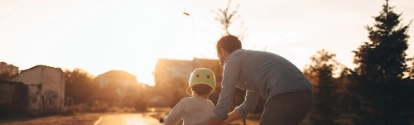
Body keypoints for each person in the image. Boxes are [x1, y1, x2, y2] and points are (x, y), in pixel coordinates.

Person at [208, 35, 314, 125]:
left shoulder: (233, 59)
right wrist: (223, 121)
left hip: (286, 95)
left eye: (218, 56)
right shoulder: (253, 64)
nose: (220, 63)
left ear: (222, 51)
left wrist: (215, 118)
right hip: (305, 96)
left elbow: (227, 92)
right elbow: (249, 105)